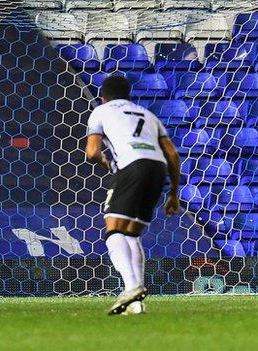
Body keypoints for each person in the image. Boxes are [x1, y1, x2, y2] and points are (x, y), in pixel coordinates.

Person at [85, 76, 181, 315]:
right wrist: (174, 193)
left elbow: (92, 151)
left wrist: (104, 161)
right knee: (131, 233)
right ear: (128, 95)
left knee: (113, 230)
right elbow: (173, 155)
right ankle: (136, 303)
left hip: (131, 166)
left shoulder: (101, 111)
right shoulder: (148, 115)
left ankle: (131, 288)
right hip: (157, 168)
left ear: (103, 96)